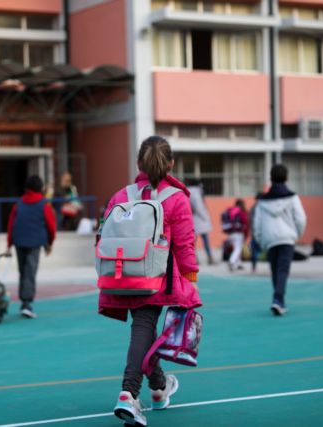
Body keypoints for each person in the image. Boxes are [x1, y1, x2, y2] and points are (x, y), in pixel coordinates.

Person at [101, 136, 201, 426]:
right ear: (171, 164)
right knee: (144, 328)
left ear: (138, 163)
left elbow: (103, 233)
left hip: (122, 273)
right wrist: (191, 279)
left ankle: (159, 388)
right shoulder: (176, 198)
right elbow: (184, 244)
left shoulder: (121, 196)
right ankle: (128, 393)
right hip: (157, 277)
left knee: (144, 330)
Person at [253, 164, 306, 316]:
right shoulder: (293, 198)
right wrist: (297, 234)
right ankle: (278, 299)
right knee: (283, 270)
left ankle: (279, 300)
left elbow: (257, 224)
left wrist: (261, 240)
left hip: (269, 239)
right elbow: (301, 219)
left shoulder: (262, 201)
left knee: (275, 270)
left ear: (271, 178)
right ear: (287, 178)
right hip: (287, 238)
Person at [5, 175, 57, 319]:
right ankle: (26, 304)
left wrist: (9, 244)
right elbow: (51, 226)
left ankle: (24, 301)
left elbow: (11, 225)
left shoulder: (19, 204)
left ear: (26, 188)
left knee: (23, 271)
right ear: (41, 188)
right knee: (30, 271)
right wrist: (49, 243)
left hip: (19, 241)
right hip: (35, 243)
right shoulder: (44, 205)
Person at [186, 178, 215, 265]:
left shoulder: (188, 191)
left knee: (193, 241)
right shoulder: (195, 192)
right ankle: (209, 258)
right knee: (205, 240)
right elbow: (198, 207)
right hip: (199, 219)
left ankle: (195, 259)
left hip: (192, 218)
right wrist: (205, 217)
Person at [222, 199, 249, 271]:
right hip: (238, 233)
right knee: (238, 248)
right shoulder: (241, 212)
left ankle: (239, 264)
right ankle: (231, 261)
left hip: (230, 232)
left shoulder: (229, 211)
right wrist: (246, 234)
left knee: (237, 248)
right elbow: (246, 223)